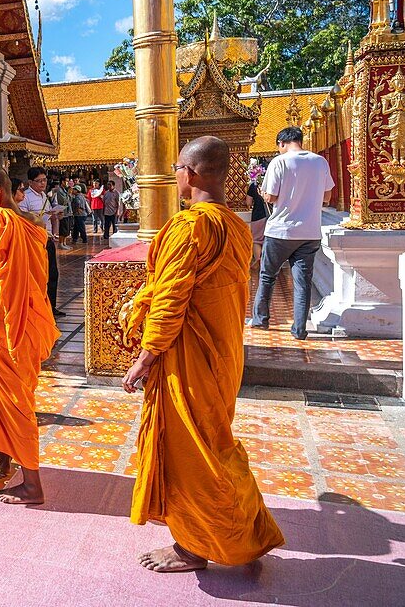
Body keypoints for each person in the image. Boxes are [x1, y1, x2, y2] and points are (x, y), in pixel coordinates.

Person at [120, 136, 284, 574]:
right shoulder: (235, 224)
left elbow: (171, 298)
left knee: (191, 453)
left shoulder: (190, 227)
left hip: (188, 356)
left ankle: (194, 546)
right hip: (222, 352)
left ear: (188, 174)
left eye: (176, 168)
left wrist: (147, 355)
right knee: (213, 444)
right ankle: (246, 530)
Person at [0, 167, 60, 505]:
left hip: (1, 331)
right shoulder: (29, 226)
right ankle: (5, 453)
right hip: (25, 325)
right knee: (12, 396)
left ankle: (32, 484)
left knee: (16, 404)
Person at [249, 127, 334, 340]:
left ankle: (260, 320)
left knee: (268, 276)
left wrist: (264, 193)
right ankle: (299, 330)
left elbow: (269, 196)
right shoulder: (320, 162)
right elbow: (327, 197)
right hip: (310, 231)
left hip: (281, 231)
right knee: (303, 282)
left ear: (281, 143)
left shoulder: (280, 162)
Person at [19, 168, 64, 318]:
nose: (43, 183)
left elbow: (49, 217)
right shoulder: (25, 197)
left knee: (52, 273)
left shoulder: (44, 196)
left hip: (48, 238)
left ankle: (51, 305)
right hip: (34, 240)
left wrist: (55, 215)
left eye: (44, 180)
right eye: (39, 181)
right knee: (39, 275)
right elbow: (23, 219)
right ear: (30, 182)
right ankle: (39, 307)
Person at [246, 179, 268, 265]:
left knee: (256, 240)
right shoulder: (274, 182)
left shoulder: (254, 185)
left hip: (258, 216)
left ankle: (258, 262)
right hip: (271, 215)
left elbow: (248, 202)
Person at [50, 176, 73, 250]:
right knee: (63, 229)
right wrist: (68, 194)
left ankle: (64, 243)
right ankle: (61, 243)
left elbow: (70, 200)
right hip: (63, 212)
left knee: (67, 229)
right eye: (66, 181)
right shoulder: (59, 190)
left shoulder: (65, 190)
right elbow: (63, 201)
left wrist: (69, 194)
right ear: (62, 182)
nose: (67, 183)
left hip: (68, 212)